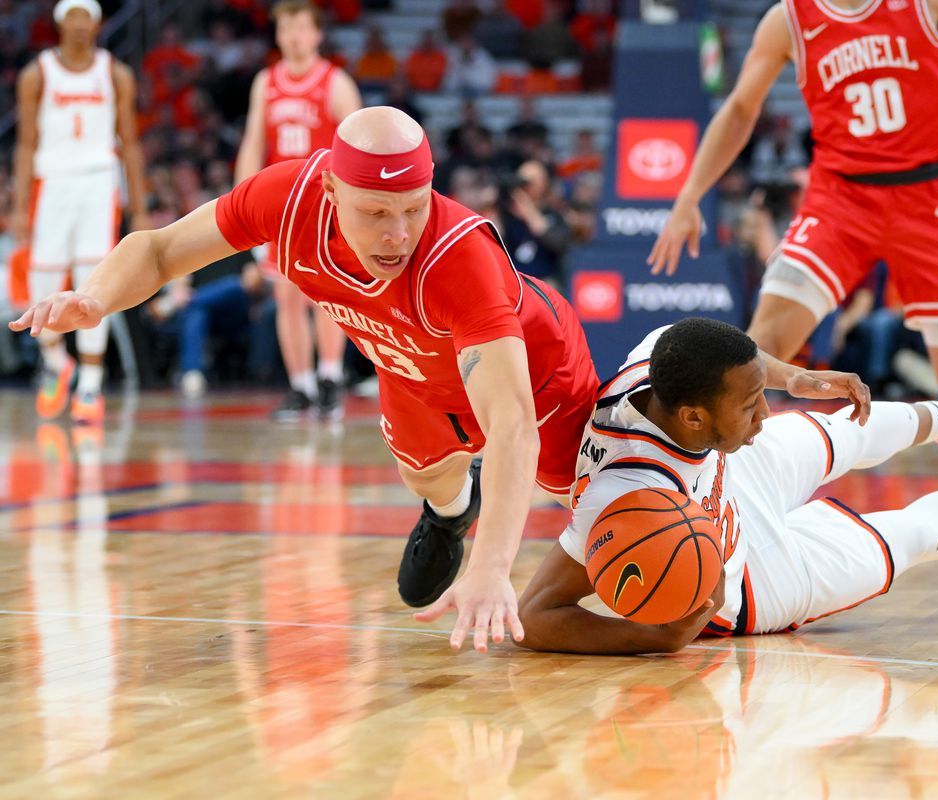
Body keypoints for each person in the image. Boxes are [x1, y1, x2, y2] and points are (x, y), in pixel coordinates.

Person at [9, 106, 601, 653]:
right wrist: (94, 299)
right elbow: (161, 250)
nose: (398, 232)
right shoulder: (287, 198)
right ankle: (452, 511)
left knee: (590, 503)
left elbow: (512, 423)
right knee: (424, 475)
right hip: (409, 364)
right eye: (376, 212)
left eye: (414, 207)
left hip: (537, 375)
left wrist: (493, 567)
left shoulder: (458, 260)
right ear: (331, 190)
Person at [517, 318, 938, 654]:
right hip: (751, 584)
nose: (764, 412)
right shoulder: (621, 494)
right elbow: (534, 616)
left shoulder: (664, 357)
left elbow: (742, 361)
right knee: (918, 534)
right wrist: (655, 638)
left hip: (723, 476)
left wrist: (795, 380)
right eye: (749, 405)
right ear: (693, 414)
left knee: (847, 424)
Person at [648, 0, 938, 395]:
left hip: (931, 197)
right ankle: (725, 459)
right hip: (841, 196)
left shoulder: (930, 3)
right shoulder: (788, 20)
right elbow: (740, 108)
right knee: (761, 345)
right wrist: (690, 194)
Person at [11, 0, 149, 424]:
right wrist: (18, 206)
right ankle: (56, 364)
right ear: (57, 24)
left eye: (84, 18)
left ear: (96, 24)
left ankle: (90, 382)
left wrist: (140, 207)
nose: (77, 26)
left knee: (94, 282)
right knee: (43, 279)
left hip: (96, 182)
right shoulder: (37, 73)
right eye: (69, 17)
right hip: (51, 183)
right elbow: (26, 143)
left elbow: (129, 142)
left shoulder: (114, 73)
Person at [236, 0, 362, 421]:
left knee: (327, 298)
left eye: (300, 28)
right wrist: (243, 202)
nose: (292, 36)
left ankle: (329, 378)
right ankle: (301, 386)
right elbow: (253, 143)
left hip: (324, 203)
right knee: (286, 296)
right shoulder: (266, 82)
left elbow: (358, 143)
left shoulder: (335, 81)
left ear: (316, 34)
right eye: (285, 28)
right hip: (280, 204)